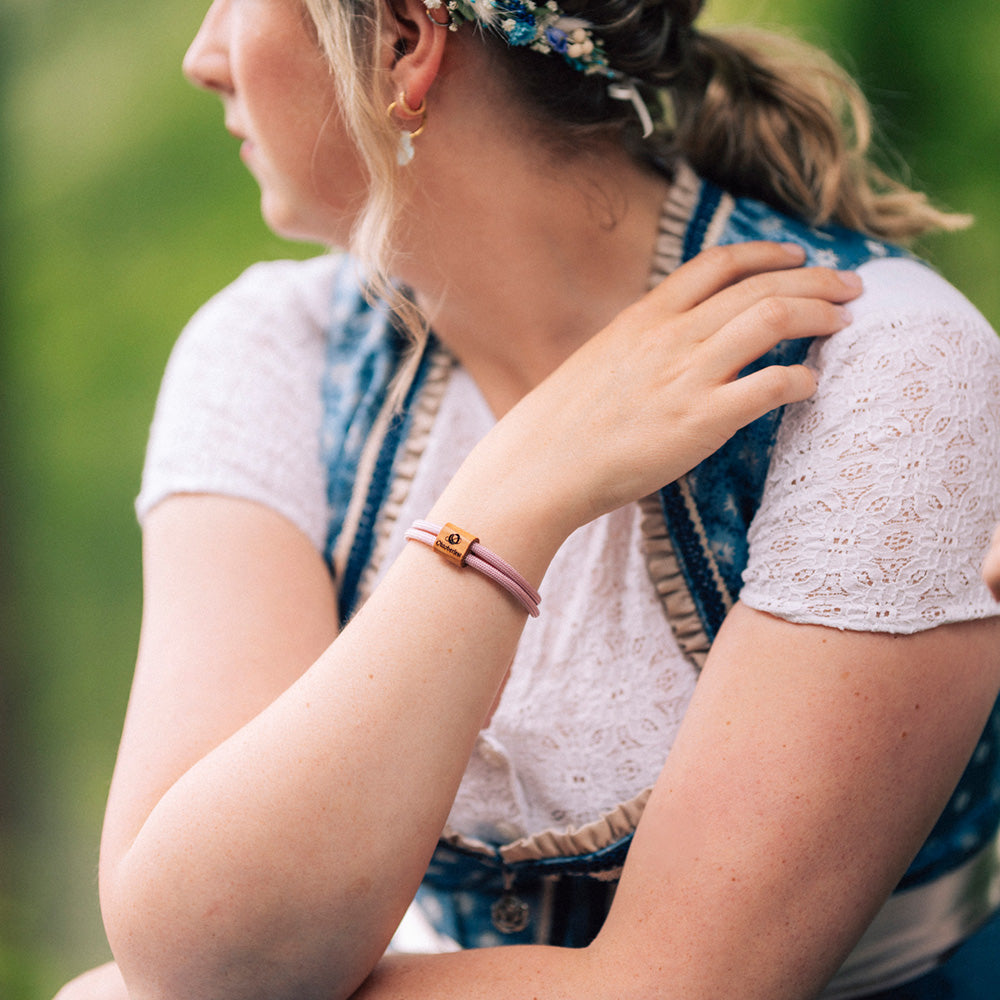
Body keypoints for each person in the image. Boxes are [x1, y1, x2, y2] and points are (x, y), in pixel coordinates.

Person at [56, 0, 1000, 998]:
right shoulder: (273, 352)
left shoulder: (875, 368)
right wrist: (516, 490)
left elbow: (683, 987)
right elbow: (193, 947)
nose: (204, 57)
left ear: (404, 44)